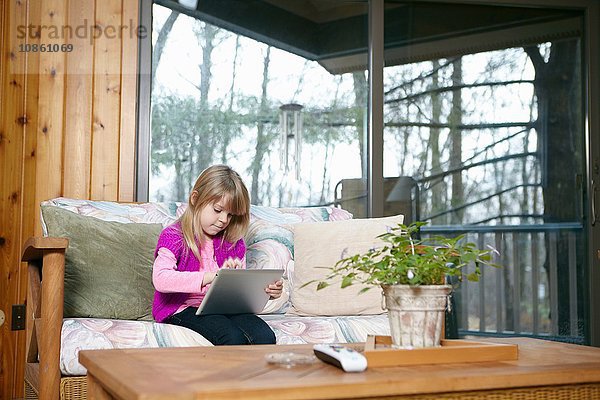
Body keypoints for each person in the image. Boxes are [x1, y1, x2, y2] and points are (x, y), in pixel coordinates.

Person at [152, 164, 283, 345]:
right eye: (217, 210)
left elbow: (238, 297)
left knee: (264, 336)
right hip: (181, 308)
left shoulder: (234, 242)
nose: (224, 220)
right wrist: (209, 277)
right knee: (231, 337)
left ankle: (254, 374)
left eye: (230, 215)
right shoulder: (174, 236)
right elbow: (161, 278)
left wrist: (266, 291)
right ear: (195, 199)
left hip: (218, 307)